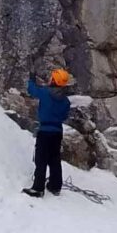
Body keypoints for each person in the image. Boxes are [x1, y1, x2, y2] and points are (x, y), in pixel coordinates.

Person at [22, 68, 72, 198]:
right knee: (54, 158)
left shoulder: (45, 93)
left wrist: (31, 79)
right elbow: (65, 116)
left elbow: (32, 90)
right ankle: (55, 186)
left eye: (52, 77)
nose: (50, 78)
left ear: (54, 80)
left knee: (41, 159)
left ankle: (38, 188)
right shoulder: (66, 101)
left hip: (45, 131)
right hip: (57, 132)